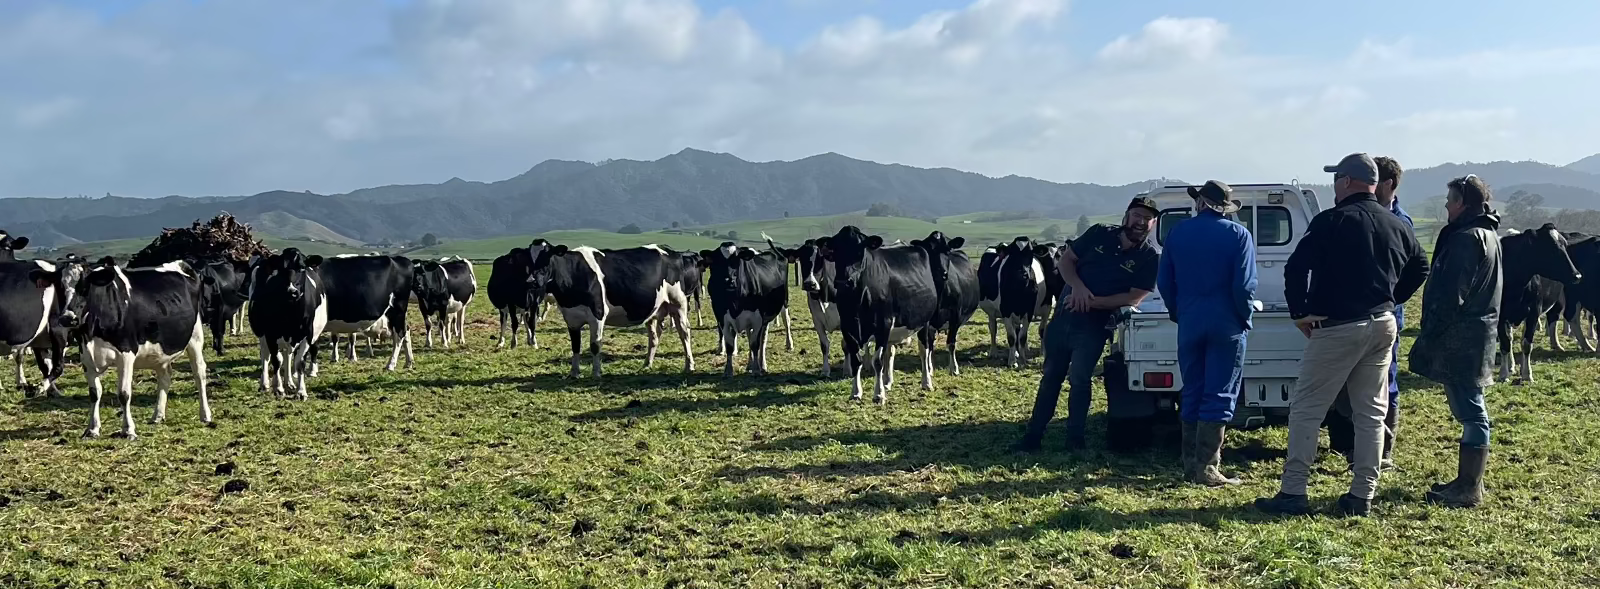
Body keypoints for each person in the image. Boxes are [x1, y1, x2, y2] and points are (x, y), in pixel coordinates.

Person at [1254, 153, 1428, 517]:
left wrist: (1301, 312)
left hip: (1337, 326)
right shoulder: (1395, 222)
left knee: (1307, 409)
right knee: (1371, 412)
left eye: (1336, 179)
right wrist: (1393, 298)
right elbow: (1421, 265)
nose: (1334, 185)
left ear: (1347, 182)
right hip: (1382, 324)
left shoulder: (1330, 221)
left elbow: (1296, 268)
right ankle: (1362, 495)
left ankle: (1294, 490)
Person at [1016, 197, 1159, 452]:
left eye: (1147, 218)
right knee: (1050, 377)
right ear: (1126, 216)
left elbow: (1134, 297)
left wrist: (1094, 302)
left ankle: (1075, 438)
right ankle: (1033, 436)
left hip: (1094, 326)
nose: (1140, 222)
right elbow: (1066, 261)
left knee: (1081, 379)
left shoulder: (1148, 257)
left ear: (1153, 223)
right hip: (1064, 317)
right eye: (1137, 215)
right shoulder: (1099, 234)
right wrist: (1079, 289)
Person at [1155, 180, 1258, 486]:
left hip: (1189, 321)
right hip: (1226, 322)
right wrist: (1245, 316)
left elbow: (1165, 282)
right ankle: (1208, 468)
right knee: (1220, 391)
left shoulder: (1177, 234)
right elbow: (1244, 285)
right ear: (1225, 208)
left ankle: (1189, 466)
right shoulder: (1239, 235)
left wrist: (1179, 312)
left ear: (1199, 203)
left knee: (1193, 390)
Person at [1409, 174, 1500, 508]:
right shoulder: (1489, 235)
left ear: (1462, 202)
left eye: (1450, 199)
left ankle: (1469, 488)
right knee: (1471, 408)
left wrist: (1430, 332)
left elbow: (1450, 296)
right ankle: (1465, 481)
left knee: (1472, 412)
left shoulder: (1466, 239)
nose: (1446, 205)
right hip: (1477, 336)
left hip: (1462, 339)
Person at [1327, 156, 1413, 468]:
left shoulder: (1401, 222)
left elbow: (1413, 268)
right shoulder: (1351, 214)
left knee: (1384, 382)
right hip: (1352, 314)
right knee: (1350, 380)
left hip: (1384, 316)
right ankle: (1350, 445)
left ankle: (1382, 450)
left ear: (1388, 184)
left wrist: (1392, 298)